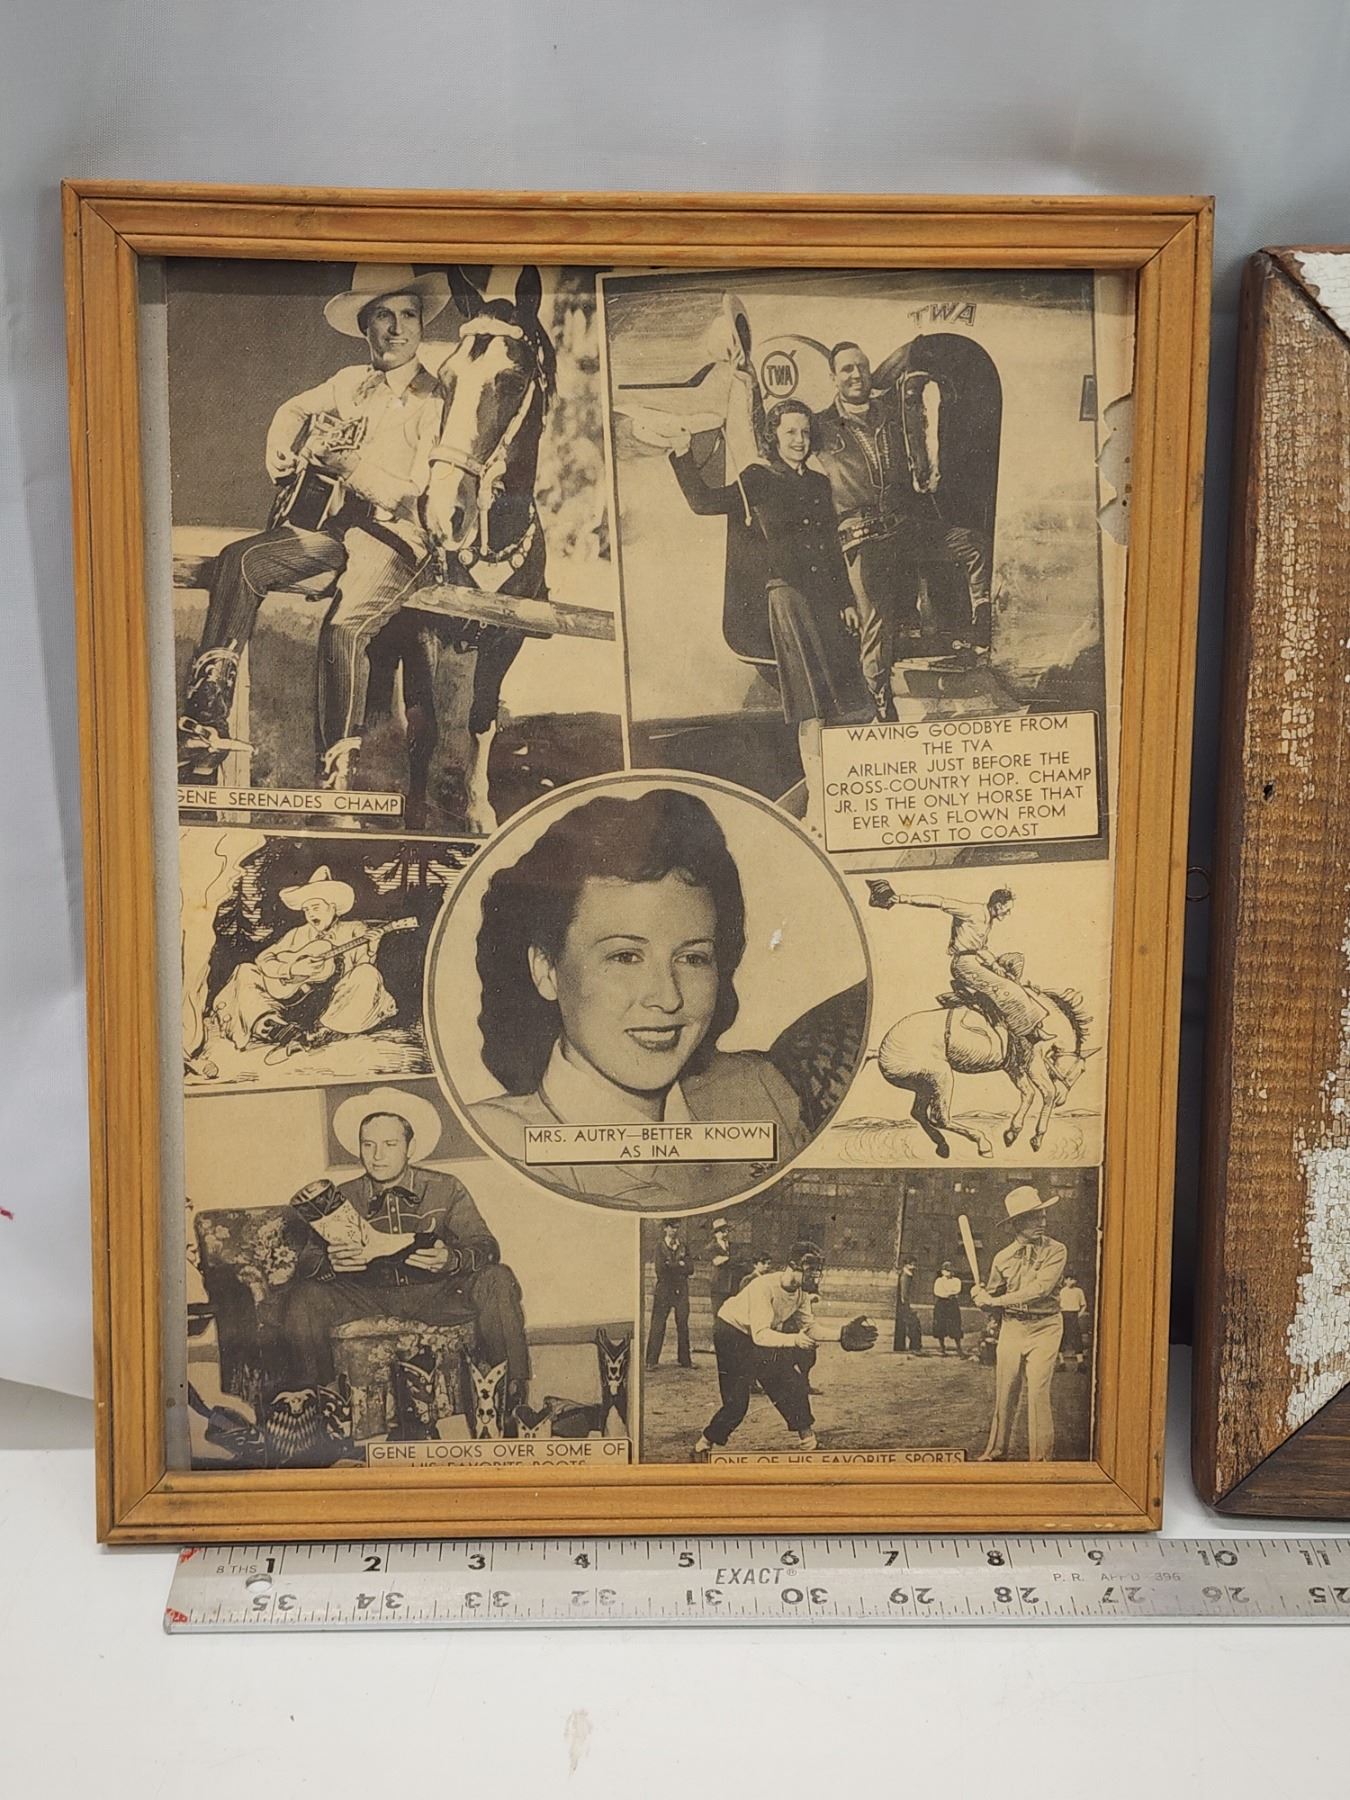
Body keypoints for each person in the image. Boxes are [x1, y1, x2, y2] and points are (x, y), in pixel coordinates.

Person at [177, 264, 450, 790]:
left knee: (344, 627)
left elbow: (416, 498)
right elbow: (293, 408)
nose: (397, 328)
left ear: (421, 324)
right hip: (338, 530)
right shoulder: (349, 382)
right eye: (383, 316)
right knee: (241, 559)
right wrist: (279, 450)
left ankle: (336, 773)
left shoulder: (437, 400)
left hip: (400, 540)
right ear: (365, 327)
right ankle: (204, 725)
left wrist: (351, 468)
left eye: (408, 315)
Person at [467, 787, 808, 1208]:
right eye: (625, 957)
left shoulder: (757, 1093)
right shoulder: (496, 1140)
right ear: (547, 970)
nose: (668, 997)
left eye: (693, 958)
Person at [668, 401, 872, 838]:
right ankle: (818, 812)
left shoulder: (818, 483)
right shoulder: (758, 478)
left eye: (805, 432)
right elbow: (704, 502)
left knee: (840, 701)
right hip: (788, 601)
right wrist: (682, 453)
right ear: (774, 437)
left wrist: (846, 601)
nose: (799, 440)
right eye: (790, 433)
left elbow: (830, 547)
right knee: (811, 707)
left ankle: (834, 799)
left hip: (825, 604)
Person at [277, 1088, 530, 1407]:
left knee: (498, 1277)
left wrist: (451, 1259)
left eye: (390, 1144)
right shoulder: (342, 1197)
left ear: (410, 1148)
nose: (377, 1156)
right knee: (302, 1297)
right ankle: (317, 1402)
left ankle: (511, 1397)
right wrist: (329, 1262)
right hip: (366, 1295)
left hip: (436, 1294)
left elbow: (486, 1246)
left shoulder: (446, 1187)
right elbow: (306, 1263)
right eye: (368, 1145)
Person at [814, 342, 992, 720]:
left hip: (901, 527)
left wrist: (917, 356)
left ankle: (981, 621)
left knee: (973, 545)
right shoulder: (819, 426)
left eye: (862, 367)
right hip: (861, 535)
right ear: (832, 377)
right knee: (876, 623)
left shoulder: (889, 413)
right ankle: (880, 704)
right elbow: (773, 438)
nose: (856, 375)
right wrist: (745, 379)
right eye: (846, 369)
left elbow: (910, 381)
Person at [691, 1243, 876, 1458]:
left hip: (760, 1334)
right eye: (809, 1269)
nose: (814, 1275)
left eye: (816, 1270)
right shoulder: (764, 1286)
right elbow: (760, 1335)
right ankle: (703, 1445)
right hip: (731, 1332)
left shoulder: (801, 1293)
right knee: (737, 1403)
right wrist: (795, 1339)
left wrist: (840, 1335)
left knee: (791, 1382)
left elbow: (810, 1327)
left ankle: (808, 1442)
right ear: (792, 1265)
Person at [210, 865, 397, 1060]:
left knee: (367, 974)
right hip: (294, 1000)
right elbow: (263, 958)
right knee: (245, 971)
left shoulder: (356, 930)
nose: (311, 914)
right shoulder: (297, 934)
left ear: (332, 906)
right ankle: (276, 1028)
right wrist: (290, 969)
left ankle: (323, 1032)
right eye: (306, 910)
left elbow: (362, 970)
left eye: (315, 907)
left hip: (333, 1003)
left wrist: (371, 949)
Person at [872, 884, 1051, 1050]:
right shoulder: (972, 911)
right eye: (1007, 908)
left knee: (1012, 977)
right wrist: (901, 898)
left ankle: (1031, 1028)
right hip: (964, 964)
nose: (1008, 913)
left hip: (974, 961)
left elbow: (980, 949)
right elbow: (940, 902)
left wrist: (996, 966)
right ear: (998, 905)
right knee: (1008, 988)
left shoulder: (988, 920)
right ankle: (1030, 1033)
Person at [972, 1185, 1067, 1461]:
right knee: (1005, 1390)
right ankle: (996, 1451)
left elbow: (1040, 1289)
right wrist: (979, 1296)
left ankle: (1040, 1461)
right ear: (1016, 1223)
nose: (1042, 1221)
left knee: (1038, 1391)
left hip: (1046, 1326)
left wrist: (994, 1301)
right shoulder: (1002, 1257)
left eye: (1043, 1215)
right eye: (1034, 1217)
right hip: (1012, 1326)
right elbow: (992, 1296)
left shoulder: (1057, 1250)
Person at [646, 1220, 694, 1369]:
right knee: (658, 1324)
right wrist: (679, 1265)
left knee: (683, 1324)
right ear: (665, 1229)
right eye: (672, 1227)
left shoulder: (683, 1246)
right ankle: (651, 1361)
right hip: (664, 1290)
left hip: (681, 1290)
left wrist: (671, 1265)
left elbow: (690, 1269)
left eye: (677, 1228)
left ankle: (685, 1360)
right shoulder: (659, 1247)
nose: (674, 1231)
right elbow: (660, 1269)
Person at [931, 1260, 965, 1354]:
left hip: (952, 1304)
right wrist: (949, 1293)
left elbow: (957, 1290)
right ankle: (942, 1347)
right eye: (946, 1270)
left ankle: (959, 1347)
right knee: (940, 1324)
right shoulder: (939, 1281)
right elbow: (938, 1292)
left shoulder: (956, 1280)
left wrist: (948, 1292)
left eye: (950, 1271)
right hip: (941, 1304)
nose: (948, 1272)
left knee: (955, 1324)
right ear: (942, 1271)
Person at [1058, 1270, 1089, 1371]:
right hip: (1064, 1315)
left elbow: (1084, 1305)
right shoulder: (1062, 1292)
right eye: (1070, 1279)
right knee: (1061, 1338)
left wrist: (1079, 1315)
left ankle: (1080, 1363)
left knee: (1077, 1338)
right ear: (1066, 1280)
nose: (1072, 1281)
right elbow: (1058, 1306)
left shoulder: (1079, 1291)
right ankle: (1062, 1363)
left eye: (1074, 1279)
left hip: (1074, 1315)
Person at [894, 1258, 925, 1354]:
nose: (914, 1266)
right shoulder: (905, 1276)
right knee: (914, 1324)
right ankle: (915, 1346)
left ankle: (902, 1346)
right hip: (906, 1304)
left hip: (904, 1304)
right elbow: (904, 1293)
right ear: (906, 1265)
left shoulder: (907, 1275)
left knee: (905, 1325)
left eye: (914, 1264)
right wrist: (909, 1305)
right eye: (911, 1264)